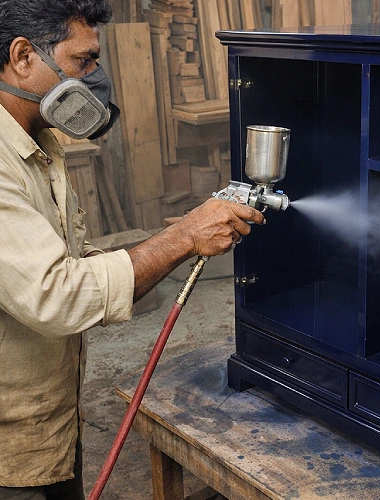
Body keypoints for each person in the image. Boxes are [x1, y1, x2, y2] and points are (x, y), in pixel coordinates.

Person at [0, 1, 265, 499]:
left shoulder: (38, 146)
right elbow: (57, 296)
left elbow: (70, 264)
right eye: (83, 61)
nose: (95, 78)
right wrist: (183, 237)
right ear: (22, 57)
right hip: (8, 455)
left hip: (49, 426)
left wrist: (177, 241)